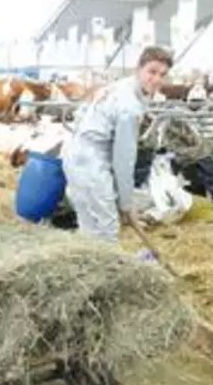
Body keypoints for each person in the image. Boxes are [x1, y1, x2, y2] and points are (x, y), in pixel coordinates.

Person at [61, 46, 173, 242]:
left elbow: (80, 115)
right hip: (92, 164)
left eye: (162, 74)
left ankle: (89, 267)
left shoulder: (119, 86)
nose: (157, 79)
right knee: (107, 230)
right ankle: (105, 271)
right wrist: (126, 205)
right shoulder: (129, 107)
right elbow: (124, 160)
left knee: (88, 230)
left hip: (74, 156)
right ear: (138, 69)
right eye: (152, 71)